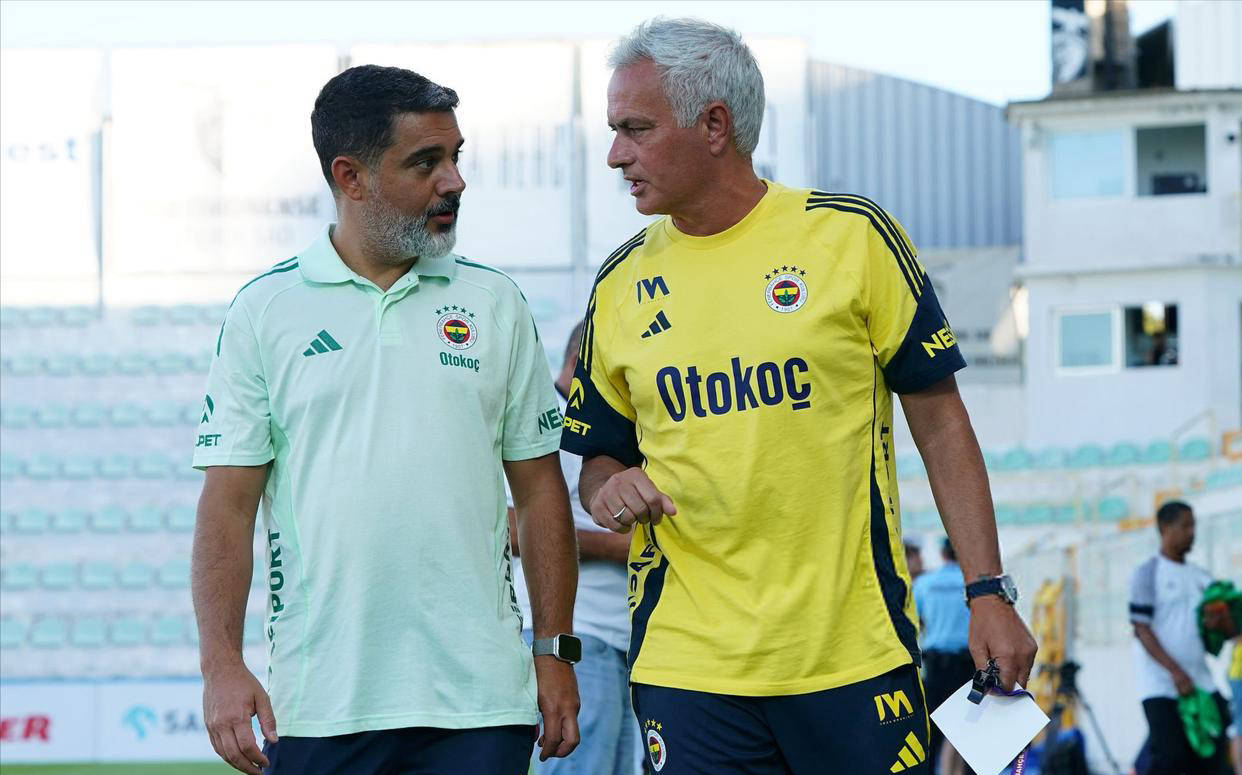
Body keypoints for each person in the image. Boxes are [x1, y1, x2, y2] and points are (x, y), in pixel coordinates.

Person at [560, 18, 1037, 775]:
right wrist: (608, 486)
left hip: (851, 652)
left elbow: (942, 423)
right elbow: (596, 459)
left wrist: (987, 590)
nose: (616, 154)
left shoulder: (852, 238)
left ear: (714, 125)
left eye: (635, 129)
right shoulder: (619, 284)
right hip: (688, 663)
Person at [191, 64, 580, 775]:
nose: (454, 181)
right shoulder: (265, 309)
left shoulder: (495, 301)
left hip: (482, 703)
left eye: (456, 157)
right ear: (351, 176)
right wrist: (221, 664)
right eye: (425, 162)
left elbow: (539, 490)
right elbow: (228, 506)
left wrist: (554, 653)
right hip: (321, 702)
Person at [510, 321, 645, 775]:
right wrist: (620, 546)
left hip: (620, 643)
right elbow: (506, 523)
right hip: (577, 639)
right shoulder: (551, 419)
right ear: (579, 364)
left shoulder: (618, 436)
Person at [1129, 501, 1231, 775]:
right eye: (1185, 526)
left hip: (1201, 683)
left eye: (1193, 525)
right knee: (1171, 760)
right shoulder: (1147, 573)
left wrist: (1218, 625)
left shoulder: (1202, 578)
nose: (1192, 532)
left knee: (1215, 759)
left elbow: (1218, 634)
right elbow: (1141, 628)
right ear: (1165, 528)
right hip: (1161, 686)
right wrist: (1175, 672)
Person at [913, 539, 974, 775]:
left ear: (942, 553)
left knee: (933, 729)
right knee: (965, 726)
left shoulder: (925, 584)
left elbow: (915, 621)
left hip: (936, 665)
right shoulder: (972, 583)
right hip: (967, 665)